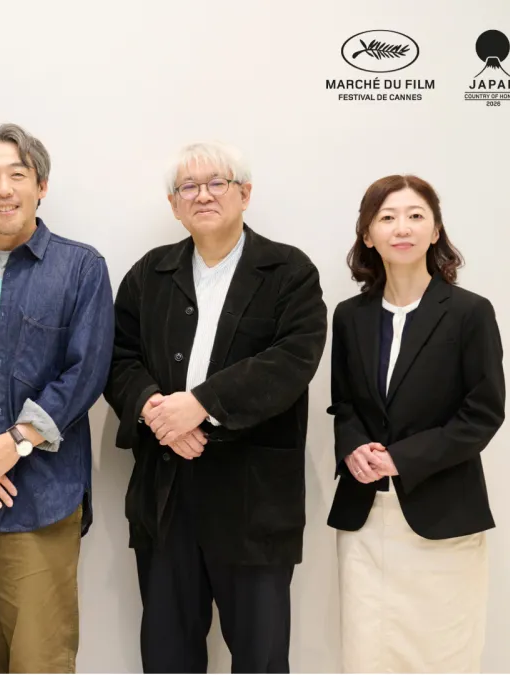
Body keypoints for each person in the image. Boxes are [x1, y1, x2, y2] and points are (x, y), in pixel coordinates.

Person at [104, 141, 328, 673]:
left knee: (260, 657)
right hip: (167, 492)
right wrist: (156, 411)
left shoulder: (288, 271)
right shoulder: (149, 274)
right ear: (173, 204)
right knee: (167, 655)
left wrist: (201, 405)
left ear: (244, 194)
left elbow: (292, 360)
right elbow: (117, 356)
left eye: (216, 183)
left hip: (253, 498)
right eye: (188, 187)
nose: (202, 195)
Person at [0, 122, 114, 673]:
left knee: (40, 662)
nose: (4, 188)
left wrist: (14, 443)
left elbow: (86, 370)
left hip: (41, 499)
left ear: (41, 185)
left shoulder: (81, 268)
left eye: (18, 174)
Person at [326, 174, 505, 673]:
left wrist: (400, 459)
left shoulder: (470, 313)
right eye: (387, 217)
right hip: (364, 518)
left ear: (435, 230)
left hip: (443, 517)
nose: (401, 227)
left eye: (415, 216)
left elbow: (482, 414)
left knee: (443, 655)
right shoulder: (349, 316)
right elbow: (344, 405)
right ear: (368, 234)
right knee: (367, 654)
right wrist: (353, 447)